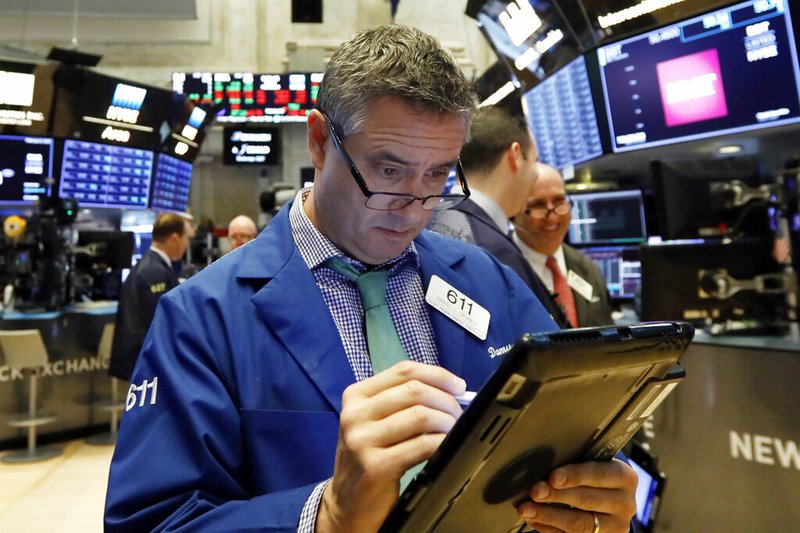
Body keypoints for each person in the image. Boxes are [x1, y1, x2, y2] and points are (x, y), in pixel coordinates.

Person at [105, 25, 636, 532]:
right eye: (388, 171)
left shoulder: (488, 283)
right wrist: (327, 517)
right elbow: (153, 521)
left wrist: (594, 507)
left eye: (436, 176)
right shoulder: (201, 319)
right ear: (319, 142)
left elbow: (573, 443)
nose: (413, 208)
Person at [427, 104, 568, 328]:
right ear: (514, 156)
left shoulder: (431, 221)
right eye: (534, 160)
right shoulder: (491, 251)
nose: (535, 174)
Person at [513, 162, 614, 328]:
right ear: (514, 210)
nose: (552, 218)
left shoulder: (588, 268)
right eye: (537, 205)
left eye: (559, 201)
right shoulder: (502, 270)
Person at [108, 212, 195, 381]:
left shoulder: (151, 265)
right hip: (148, 364)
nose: (187, 244)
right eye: (187, 238)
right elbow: (156, 324)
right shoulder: (153, 271)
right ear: (175, 238)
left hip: (145, 360)